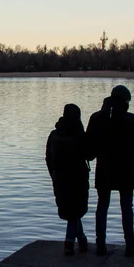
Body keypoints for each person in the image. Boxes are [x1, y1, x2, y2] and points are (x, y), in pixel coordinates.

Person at [86, 85, 134, 257]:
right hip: (125, 169)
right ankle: (130, 246)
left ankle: (100, 246)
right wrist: (128, 157)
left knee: (102, 206)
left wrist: (96, 155)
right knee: (127, 208)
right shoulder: (130, 119)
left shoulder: (96, 118)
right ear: (125, 101)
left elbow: (89, 148)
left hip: (104, 169)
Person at [46, 104, 92, 255]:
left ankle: (82, 240)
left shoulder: (54, 135)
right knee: (75, 211)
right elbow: (90, 155)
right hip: (77, 178)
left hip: (59, 178)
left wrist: (53, 175)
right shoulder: (79, 135)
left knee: (71, 211)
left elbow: (48, 157)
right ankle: (69, 243)